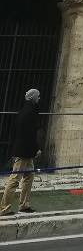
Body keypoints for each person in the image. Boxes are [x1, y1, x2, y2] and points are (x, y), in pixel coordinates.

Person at [0, 89, 41, 218]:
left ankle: (24, 205)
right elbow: (30, 135)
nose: (39, 98)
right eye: (38, 96)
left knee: (29, 177)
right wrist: (36, 149)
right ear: (33, 97)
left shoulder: (23, 111)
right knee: (14, 179)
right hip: (24, 152)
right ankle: (4, 208)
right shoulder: (30, 113)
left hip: (24, 151)